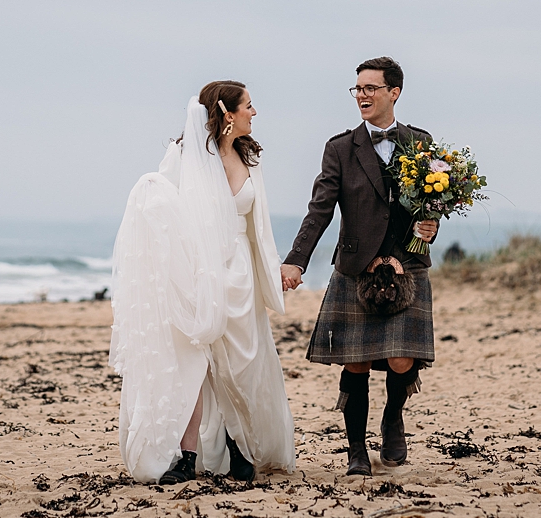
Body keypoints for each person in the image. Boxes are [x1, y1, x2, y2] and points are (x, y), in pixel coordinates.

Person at [109, 82, 297, 484]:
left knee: (240, 364)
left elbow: (257, 228)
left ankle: (236, 443)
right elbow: (163, 210)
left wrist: (275, 269)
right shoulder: (183, 155)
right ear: (227, 112)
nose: (255, 112)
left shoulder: (250, 158)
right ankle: (185, 453)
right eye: (249, 105)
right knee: (197, 361)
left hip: (240, 274)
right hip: (196, 271)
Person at [281, 57, 439, 476]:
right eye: (358, 89)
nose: (362, 96)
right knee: (358, 361)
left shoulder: (420, 143)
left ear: (394, 93)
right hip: (355, 267)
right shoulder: (339, 148)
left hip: (409, 263)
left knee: (404, 360)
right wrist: (296, 260)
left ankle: (392, 417)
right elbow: (320, 211)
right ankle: (355, 451)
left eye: (371, 88)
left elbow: (432, 205)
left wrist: (430, 226)